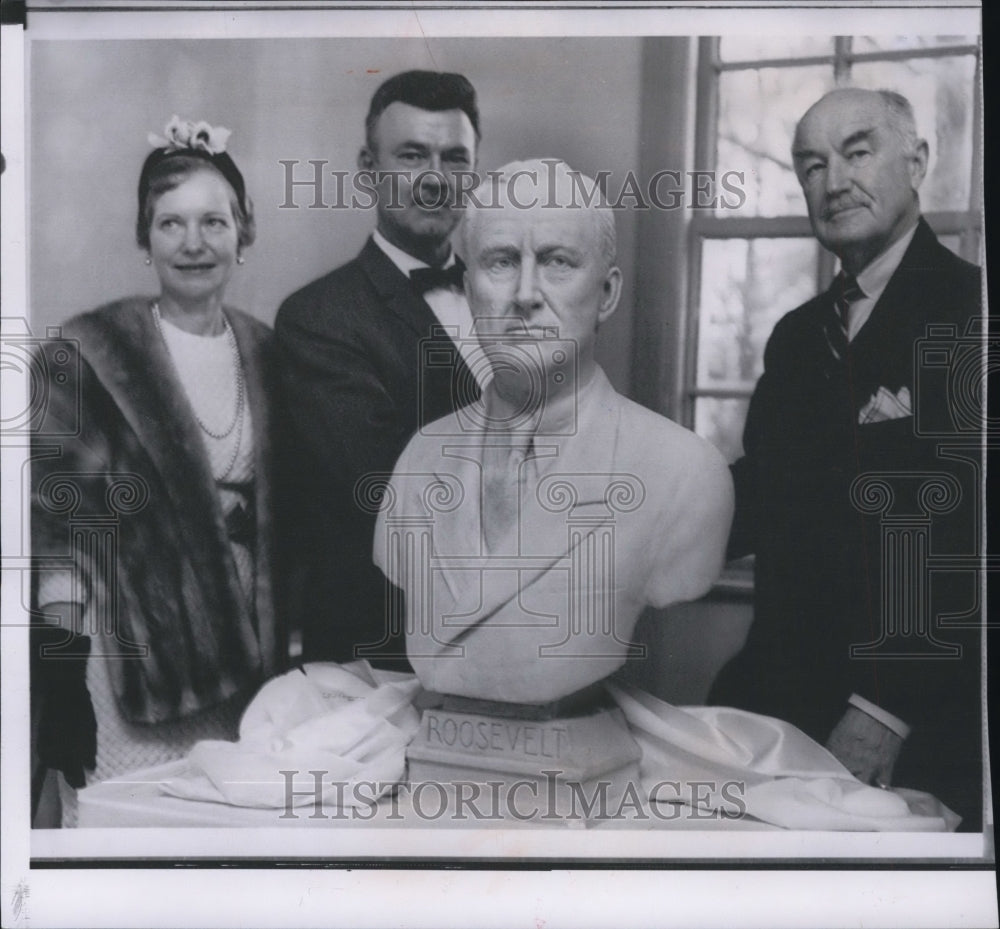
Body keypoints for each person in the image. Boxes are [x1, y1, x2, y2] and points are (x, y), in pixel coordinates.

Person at [708, 89, 983, 828]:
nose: (833, 180)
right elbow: (761, 491)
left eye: (858, 151)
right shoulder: (797, 336)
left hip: (915, 718)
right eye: (811, 165)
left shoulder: (974, 314)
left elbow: (974, 542)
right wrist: (647, 512)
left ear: (918, 161)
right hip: (777, 696)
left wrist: (887, 707)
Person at [374, 160, 733, 705]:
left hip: (574, 771)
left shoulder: (686, 473)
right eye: (500, 263)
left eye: (556, 262)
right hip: (445, 754)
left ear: (607, 295)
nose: (525, 294)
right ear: (469, 292)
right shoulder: (420, 460)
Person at [31, 117, 286, 825]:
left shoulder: (268, 352)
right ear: (145, 239)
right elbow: (61, 530)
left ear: (245, 231)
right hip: (130, 669)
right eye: (170, 223)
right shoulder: (87, 353)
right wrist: (59, 672)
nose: (194, 242)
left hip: (247, 671)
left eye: (214, 220)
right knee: (121, 845)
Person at [275, 70, 485, 669]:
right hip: (380, 656)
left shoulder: (512, 300)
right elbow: (394, 497)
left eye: (455, 159)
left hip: (514, 645)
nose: (435, 181)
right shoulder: (318, 318)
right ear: (369, 169)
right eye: (413, 156)